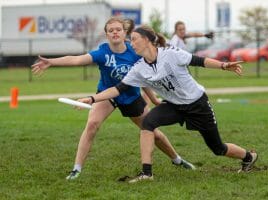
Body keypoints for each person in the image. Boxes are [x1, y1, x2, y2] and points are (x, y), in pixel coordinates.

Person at [78, 25, 258, 183]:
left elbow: (199, 61)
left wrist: (224, 65)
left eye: (134, 39)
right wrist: (93, 98)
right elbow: (118, 89)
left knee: (218, 148)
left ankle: (249, 157)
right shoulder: (138, 68)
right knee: (147, 123)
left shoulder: (171, 54)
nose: (131, 44)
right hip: (174, 106)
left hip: (197, 104)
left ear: (147, 40)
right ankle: (146, 174)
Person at [31, 18, 195, 180]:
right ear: (107, 35)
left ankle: (177, 160)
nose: (115, 32)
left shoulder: (135, 53)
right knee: (92, 125)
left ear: (125, 33)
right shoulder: (102, 53)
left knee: (153, 132)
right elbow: (76, 59)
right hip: (107, 95)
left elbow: (143, 79)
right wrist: (51, 61)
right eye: (111, 30)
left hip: (131, 96)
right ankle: (76, 170)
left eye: (118, 29)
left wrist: (153, 99)